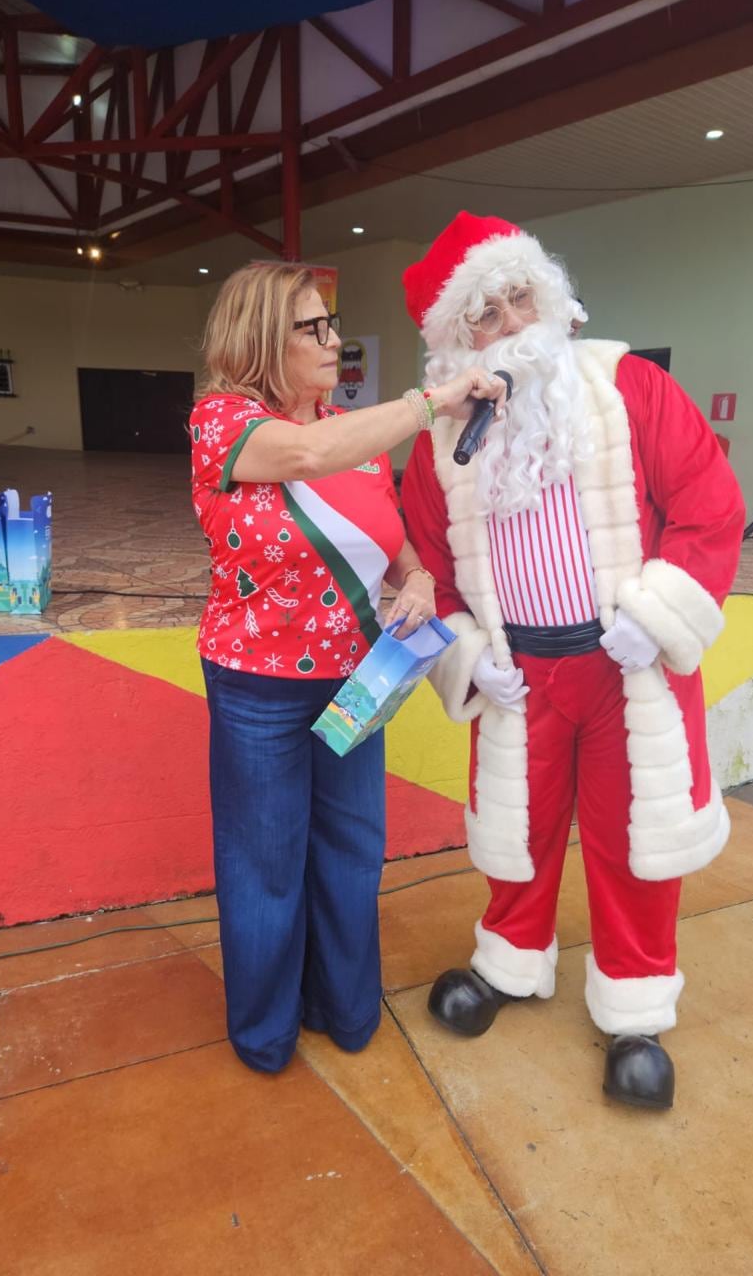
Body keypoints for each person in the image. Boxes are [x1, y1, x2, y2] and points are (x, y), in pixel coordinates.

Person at [399, 213, 746, 1109]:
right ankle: (509, 963)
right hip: (522, 678)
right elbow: (427, 570)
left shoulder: (630, 385)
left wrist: (655, 617)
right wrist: (470, 659)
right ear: (455, 339)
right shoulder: (439, 441)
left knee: (635, 841)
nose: (513, 323)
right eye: (487, 312)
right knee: (518, 831)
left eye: (523, 297)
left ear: (548, 300)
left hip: (625, 663)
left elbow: (711, 508)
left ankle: (637, 1010)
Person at [191, 261, 508, 1074]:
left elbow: (398, 549)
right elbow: (301, 456)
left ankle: (345, 1004)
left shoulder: (360, 440)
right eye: (314, 328)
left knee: (351, 848)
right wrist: (431, 400)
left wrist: (418, 582)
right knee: (265, 860)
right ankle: (266, 1030)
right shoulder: (225, 421)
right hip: (257, 685)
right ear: (263, 336)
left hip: (358, 678)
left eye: (332, 326)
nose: (334, 342)